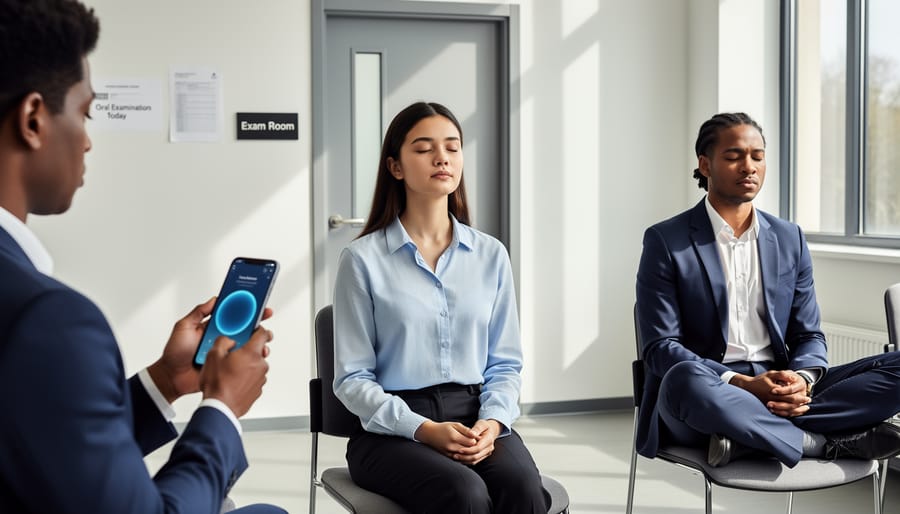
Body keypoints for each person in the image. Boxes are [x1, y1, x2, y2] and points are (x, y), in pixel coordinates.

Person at [0, 1, 285, 512]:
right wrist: (222, 408)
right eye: (85, 113)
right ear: (33, 119)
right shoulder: (48, 321)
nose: (87, 142)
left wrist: (165, 381)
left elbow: (53, 446)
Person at [635, 111, 900, 469]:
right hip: (709, 386)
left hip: (778, 384)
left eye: (758, 157)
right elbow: (660, 348)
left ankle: (751, 436)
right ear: (705, 165)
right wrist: (742, 384)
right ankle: (818, 442)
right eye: (733, 157)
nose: (749, 167)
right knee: (683, 379)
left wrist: (801, 380)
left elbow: (809, 335)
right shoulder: (666, 240)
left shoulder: (789, 238)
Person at [332, 101, 549, 513]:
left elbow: (504, 363)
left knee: (521, 486)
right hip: (390, 430)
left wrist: (494, 422)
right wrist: (423, 430)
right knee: (463, 492)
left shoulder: (490, 255)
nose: (442, 158)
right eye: (424, 148)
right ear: (395, 167)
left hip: (476, 415)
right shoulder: (361, 260)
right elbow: (353, 379)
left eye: (452, 147)